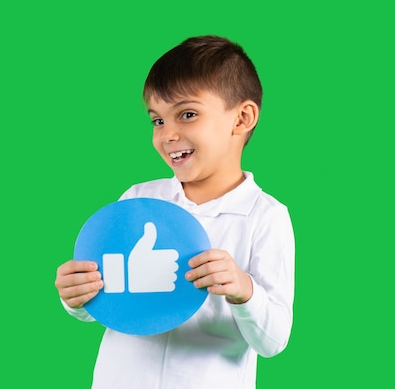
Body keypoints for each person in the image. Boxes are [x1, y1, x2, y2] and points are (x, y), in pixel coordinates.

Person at [54, 35, 295, 389]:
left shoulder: (265, 216)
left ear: (242, 118)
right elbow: (105, 301)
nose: (167, 135)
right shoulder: (138, 200)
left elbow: (272, 342)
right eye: (157, 121)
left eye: (187, 114)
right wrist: (77, 297)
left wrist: (245, 290)